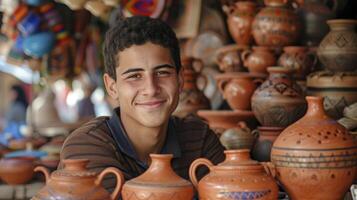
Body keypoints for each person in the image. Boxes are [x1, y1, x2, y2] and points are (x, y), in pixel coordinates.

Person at [59, 16, 225, 193]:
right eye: (135, 76)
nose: (151, 89)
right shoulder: (86, 148)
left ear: (180, 79)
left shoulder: (199, 140)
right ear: (112, 87)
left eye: (162, 73)